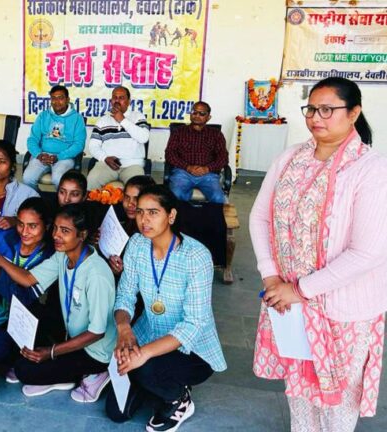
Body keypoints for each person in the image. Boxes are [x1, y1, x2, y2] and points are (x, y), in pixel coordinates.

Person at [250, 77, 387, 431]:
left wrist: (300, 289)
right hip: (289, 302)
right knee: (299, 392)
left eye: (327, 109)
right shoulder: (289, 159)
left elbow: (367, 252)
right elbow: (260, 216)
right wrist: (271, 276)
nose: (315, 117)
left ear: (353, 113)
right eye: (311, 109)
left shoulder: (371, 169)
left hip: (343, 309)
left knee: (337, 401)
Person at [106, 185, 226, 431]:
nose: (144, 220)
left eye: (153, 212)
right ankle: (153, 381)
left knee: (145, 368)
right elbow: (125, 295)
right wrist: (124, 329)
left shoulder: (196, 256)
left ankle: (179, 399)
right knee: (117, 412)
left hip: (192, 349)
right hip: (149, 333)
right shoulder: (137, 244)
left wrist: (144, 353)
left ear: (171, 216)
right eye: (140, 212)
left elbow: (193, 324)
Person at [0, 203, 117, 403]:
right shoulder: (62, 256)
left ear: (82, 235)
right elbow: (28, 278)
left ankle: (97, 373)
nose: (56, 236)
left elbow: (97, 332)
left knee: (24, 370)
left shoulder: (97, 274)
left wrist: (51, 352)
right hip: (71, 334)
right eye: (55, 229)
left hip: (95, 351)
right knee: (33, 319)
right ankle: (64, 372)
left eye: (65, 231)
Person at [0, 197, 55, 398]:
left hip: (16, 325)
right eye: (21, 224)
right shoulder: (5, 238)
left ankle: (6, 358)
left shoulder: (50, 257)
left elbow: (26, 300)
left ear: (47, 226)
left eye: (33, 226)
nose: (25, 232)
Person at [23, 85, 86, 190]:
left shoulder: (77, 118)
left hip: (64, 157)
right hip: (42, 156)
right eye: (53, 98)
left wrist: (59, 156)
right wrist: (39, 154)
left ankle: (60, 200)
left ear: (67, 100)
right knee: (27, 178)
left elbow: (79, 144)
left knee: (58, 179)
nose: (57, 102)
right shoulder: (43, 116)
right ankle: (37, 198)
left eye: (60, 98)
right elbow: (32, 139)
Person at [87, 86, 150, 190]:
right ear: (111, 101)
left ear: (129, 101)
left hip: (132, 165)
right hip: (107, 164)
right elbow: (93, 146)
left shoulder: (138, 117)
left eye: (121, 98)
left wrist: (122, 120)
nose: (117, 100)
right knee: (92, 180)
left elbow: (144, 138)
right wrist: (105, 158)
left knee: (138, 189)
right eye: (115, 97)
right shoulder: (102, 121)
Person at [164, 101, 228, 204]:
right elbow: (170, 154)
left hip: (208, 174)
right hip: (183, 172)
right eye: (194, 112)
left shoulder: (216, 134)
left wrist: (207, 168)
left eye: (202, 113)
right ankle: (183, 214)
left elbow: (223, 157)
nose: (197, 116)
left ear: (208, 117)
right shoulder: (179, 132)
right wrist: (188, 167)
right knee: (176, 194)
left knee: (218, 198)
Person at [106, 175, 156, 277]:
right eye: (127, 197)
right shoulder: (123, 219)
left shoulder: (153, 231)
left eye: (136, 199)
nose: (130, 204)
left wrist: (123, 272)